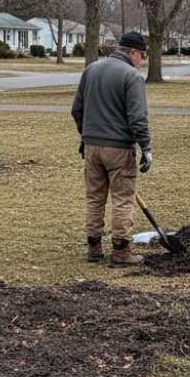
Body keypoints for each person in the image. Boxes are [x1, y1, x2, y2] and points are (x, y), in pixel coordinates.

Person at [71, 31, 153, 266]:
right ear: (134, 52)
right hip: (118, 149)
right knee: (122, 199)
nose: (141, 61)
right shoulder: (132, 76)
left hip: (92, 147)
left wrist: (87, 138)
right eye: (142, 56)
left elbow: (77, 110)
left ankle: (94, 248)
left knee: (94, 198)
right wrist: (146, 148)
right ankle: (121, 252)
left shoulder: (91, 70)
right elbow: (138, 118)